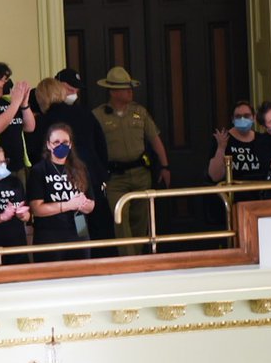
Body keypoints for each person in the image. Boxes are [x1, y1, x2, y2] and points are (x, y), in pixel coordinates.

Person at [92, 66, 170, 254]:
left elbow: (155, 139)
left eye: (130, 87)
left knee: (141, 221)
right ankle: (129, 262)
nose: (130, 91)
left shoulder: (139, 112)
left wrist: (165, 166)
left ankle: (137, 258)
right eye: (125, 88)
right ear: (113, 92)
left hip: (141, 174)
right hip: (115, 178)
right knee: (120, 221)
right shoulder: (98, 116)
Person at [33, 77, 113, 251]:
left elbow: (36, 154)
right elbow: (101, 144)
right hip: (92, 175)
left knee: (73, 232)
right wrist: (102, 173)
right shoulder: (84, 113)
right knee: (100, 229)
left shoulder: (44, 121)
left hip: (61, 179)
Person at [27, 123, 96, 262]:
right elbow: (36, 209)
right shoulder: (39, 170)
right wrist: (68, 205)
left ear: (70, 144)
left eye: (65, 142)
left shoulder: (80, 168)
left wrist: (83, 204)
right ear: (48, 145)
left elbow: (91, 204)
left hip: (79, 229)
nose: (61, 146)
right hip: (50, 233)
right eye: (56, 142)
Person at [206, 100, 266, 204]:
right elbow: (215, 176)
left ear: (254, 117)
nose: (242, 119)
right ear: (233, 120)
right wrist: (221, 148)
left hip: (260, 196)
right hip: (233, 197)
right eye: (238, 116)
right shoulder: (223, 139)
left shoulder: (262, 140)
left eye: (246, 116)